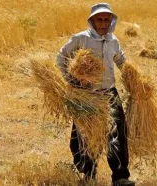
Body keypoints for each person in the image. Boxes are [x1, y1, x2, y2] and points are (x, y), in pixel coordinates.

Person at [56, 3, 135, 186]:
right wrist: (72, 80)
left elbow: (122, 61)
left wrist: (134, 81)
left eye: (107, 19)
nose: (103, 23)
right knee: (84, 135)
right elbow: (61, 57)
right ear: (92, 21)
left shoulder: (113, 41)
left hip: (109, 94)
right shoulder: (80, 39)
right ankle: (88, 173)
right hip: (86, 95)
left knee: (118, 133)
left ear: (111, 21)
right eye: (99, 19)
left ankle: (120, 177)